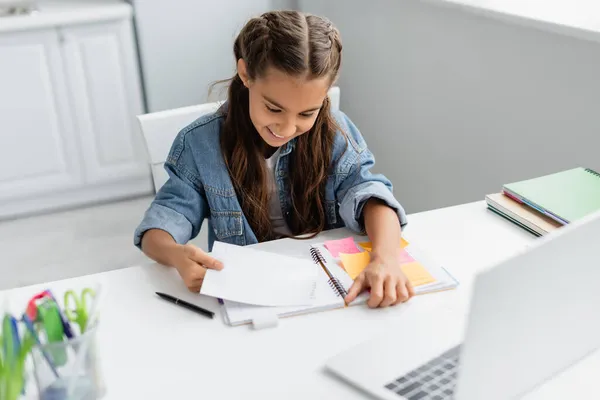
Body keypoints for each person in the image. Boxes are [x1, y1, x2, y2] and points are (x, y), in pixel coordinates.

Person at [134, 10, 412, 308]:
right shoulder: (199, 144)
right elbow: (161, 224)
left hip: (327, 292)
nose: (288, 128)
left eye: (307, 113)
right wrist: (176, 256)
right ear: (245, 74)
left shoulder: (336, 131)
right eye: (274, 109)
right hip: (248, 298)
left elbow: (370, 195)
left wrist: (385, 259)